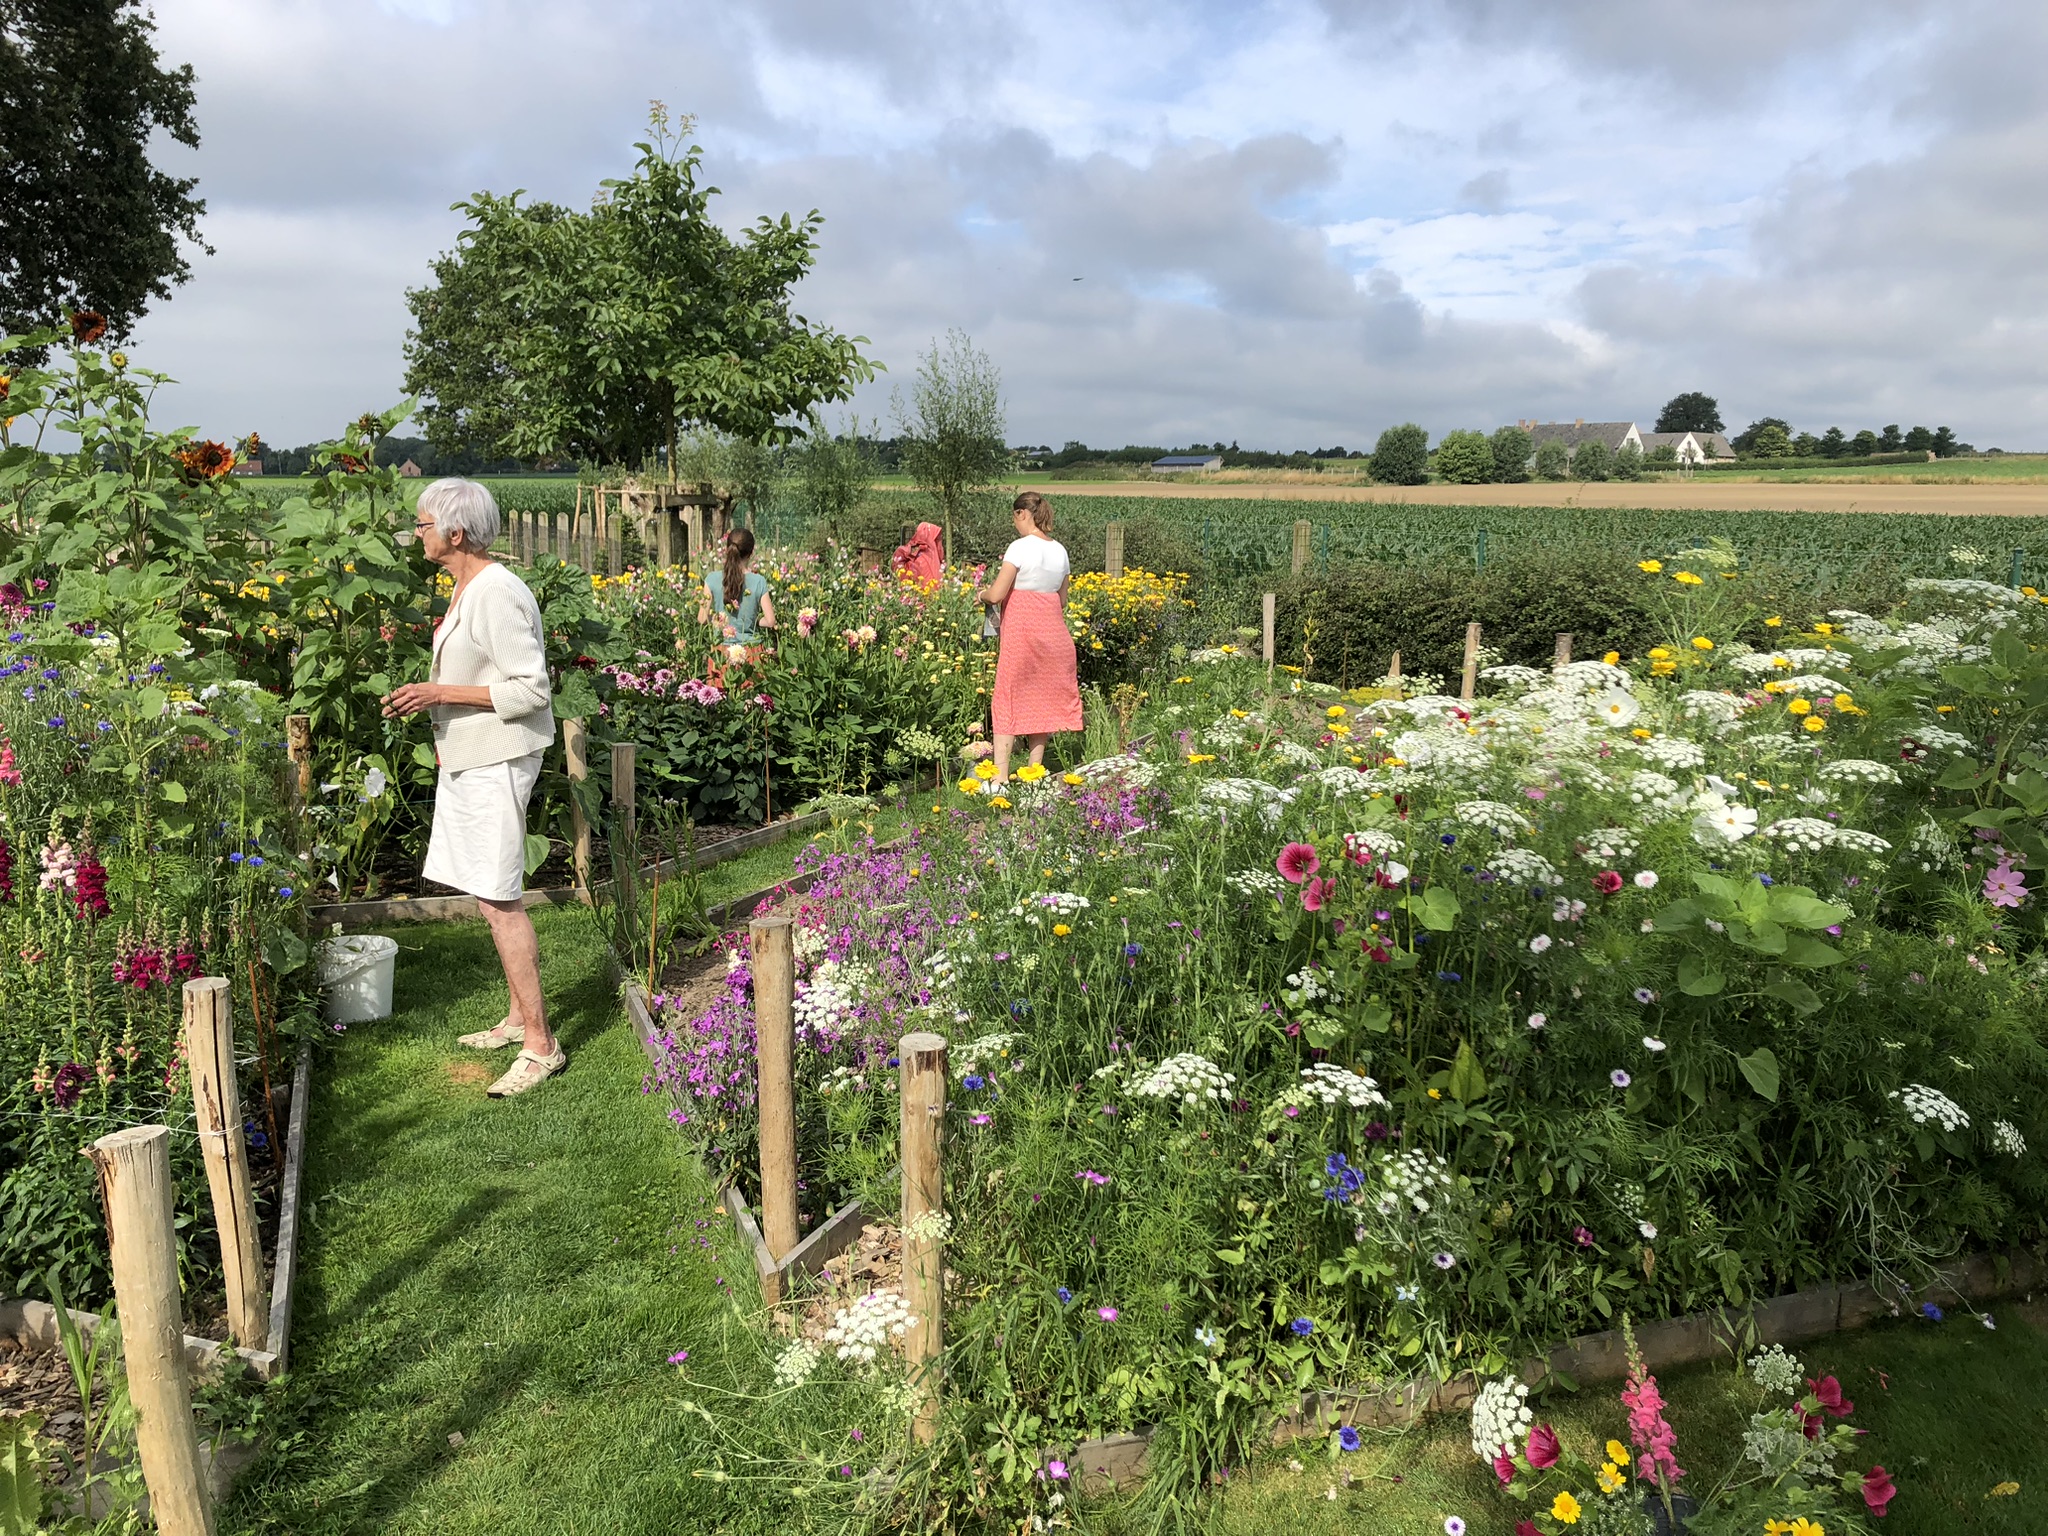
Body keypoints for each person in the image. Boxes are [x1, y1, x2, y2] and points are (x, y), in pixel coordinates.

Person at [380, 479, 563, 1098]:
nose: (417, 533)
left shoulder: (497, 593)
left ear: (455, 534)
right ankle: (517, 1017)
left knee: (500, 895)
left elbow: (532, 690)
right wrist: (442, 727)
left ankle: (541, 1044)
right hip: (472, 755)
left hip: (501, 758)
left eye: (423, 524)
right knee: (488, 892)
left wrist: (438, 695)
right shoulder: (466, 586)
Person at [976, 491, 1083, 782]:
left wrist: (982, 594)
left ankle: (999, 780)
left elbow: (997, 593)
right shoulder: (1060, 550)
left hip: (1022, 636)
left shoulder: (1019, 548)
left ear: (1022, 513)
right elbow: (1062, 600)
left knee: (1007, 699)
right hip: (1054, 636)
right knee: (1042, 702)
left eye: (1015, 518)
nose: (1015, 525)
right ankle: (1033, 773)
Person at [698, 528, 776, 661]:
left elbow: (702, 619)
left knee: (722, 682)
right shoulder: (759, 581)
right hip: (751, 653)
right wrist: (753, 620)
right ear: (750, 553)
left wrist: (718, 620)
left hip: (722, 654)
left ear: (727, 549)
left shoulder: (711, 579)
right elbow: (770, 621)